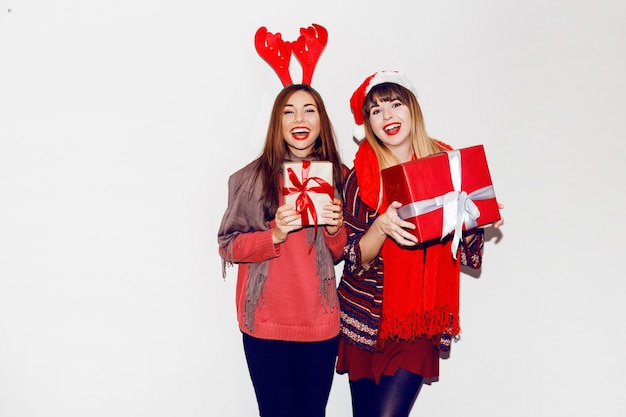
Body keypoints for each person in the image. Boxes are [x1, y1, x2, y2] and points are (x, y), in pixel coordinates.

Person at [335, 70, 504, 417]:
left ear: (413, 109)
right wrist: (380, 227)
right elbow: (351, 258)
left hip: (419, 320)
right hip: (366, 319)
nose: (389, 117)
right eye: (377, 110)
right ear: (367, 123)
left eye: (396, 104)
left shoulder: (448, 166)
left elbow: (469, 253)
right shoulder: (359, 176)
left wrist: (477, 220)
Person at [217, 81, 347, 417]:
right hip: (265, 323)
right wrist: (273, 234)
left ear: (322, 121)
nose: (298, 119)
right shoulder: (251, 179)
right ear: (277, 122)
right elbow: (228, 246)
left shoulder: (341, 178)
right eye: (288, 111)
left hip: (319, 323)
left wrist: (334, 229)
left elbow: (337, 253)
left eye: (309, 110)